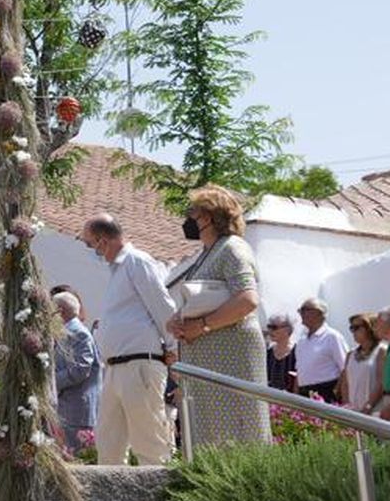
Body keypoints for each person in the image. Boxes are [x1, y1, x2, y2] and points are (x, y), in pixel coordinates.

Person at [166, 187, 271, 448]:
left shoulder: (232, 249)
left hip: (230, 360)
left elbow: (247, 299)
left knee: (236, 433)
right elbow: (207, 298)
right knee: (211, 438)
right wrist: (178, 320)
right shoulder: (207, 254)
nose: (189, 218)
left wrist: (200, 326)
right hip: (208, 366)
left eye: (194, 212)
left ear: (209, 217)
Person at [78, 214, 176, 466]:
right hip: (115, 368)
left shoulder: (137, 262)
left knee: (149, 443)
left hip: (139, 364)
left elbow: (162, 306)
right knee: (108, 445)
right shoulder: (118, 270)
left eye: (90, 244)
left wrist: (174, 347)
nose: (91, 251)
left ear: (102, 241)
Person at [53, 292, 100, 454]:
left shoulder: (78, 333)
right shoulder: (68, 331)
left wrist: (51, 382)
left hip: (76, 410)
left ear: (60, 311)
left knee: (79, 459)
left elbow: (81, 369)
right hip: (67, 408)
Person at [293, 299, 347, 402]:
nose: (301, 313)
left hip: (326, 392)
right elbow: (299, 371)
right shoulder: (302, 340)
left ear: (318, 313)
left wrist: (337, 392)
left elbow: (345, 368)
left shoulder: (332, 337)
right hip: (304, 393)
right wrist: (296, 396)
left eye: (305, 310)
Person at [339, 312, 384, 413]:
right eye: (351, 328)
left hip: (374, 410)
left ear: (370, 328)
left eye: (357, 327)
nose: (353, 331)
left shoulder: (381, 351)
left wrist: (369, 406)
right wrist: (347, 406)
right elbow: (345, 383)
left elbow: (381, 382)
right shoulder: (350, 354)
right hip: (353, 411)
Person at [264, 313, 297, 393]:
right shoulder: (267, 353)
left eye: (274, 327)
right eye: (269, 327)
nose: (270, 331)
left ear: (287, 329)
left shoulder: (297, 352)